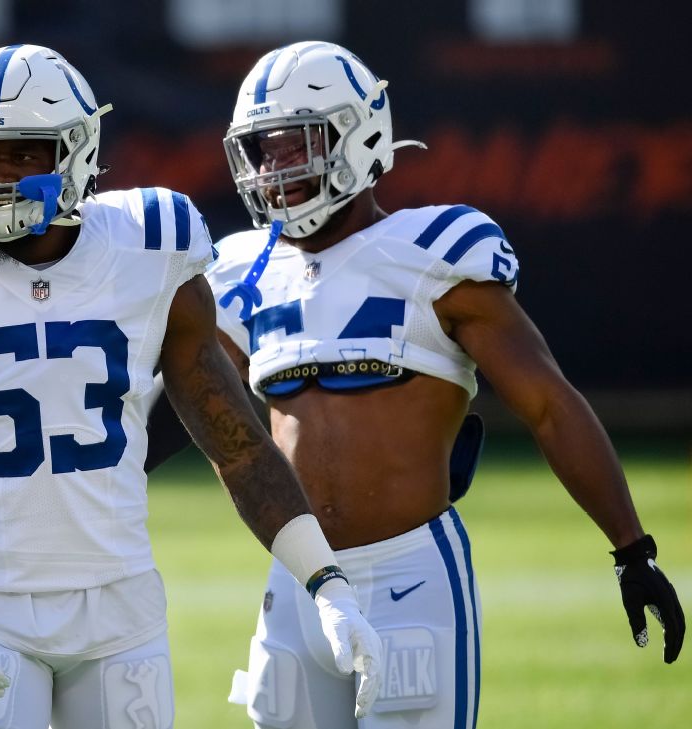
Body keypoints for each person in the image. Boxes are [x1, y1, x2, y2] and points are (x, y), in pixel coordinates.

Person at [144, 41, 685, 729]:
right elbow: (188, 410)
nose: (277, 169)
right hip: (298, 579)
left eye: (296, 145)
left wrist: (631, 548)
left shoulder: (434, 255)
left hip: (411, 575)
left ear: (359, 135)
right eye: (264, 150)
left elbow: (549, 404)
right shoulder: (241, 271)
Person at [0, 44, 384, 729]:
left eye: (21, 153)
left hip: (119, 619)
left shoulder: (149, 247)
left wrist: (326, 582)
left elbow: (238, 449)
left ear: (75, 152)